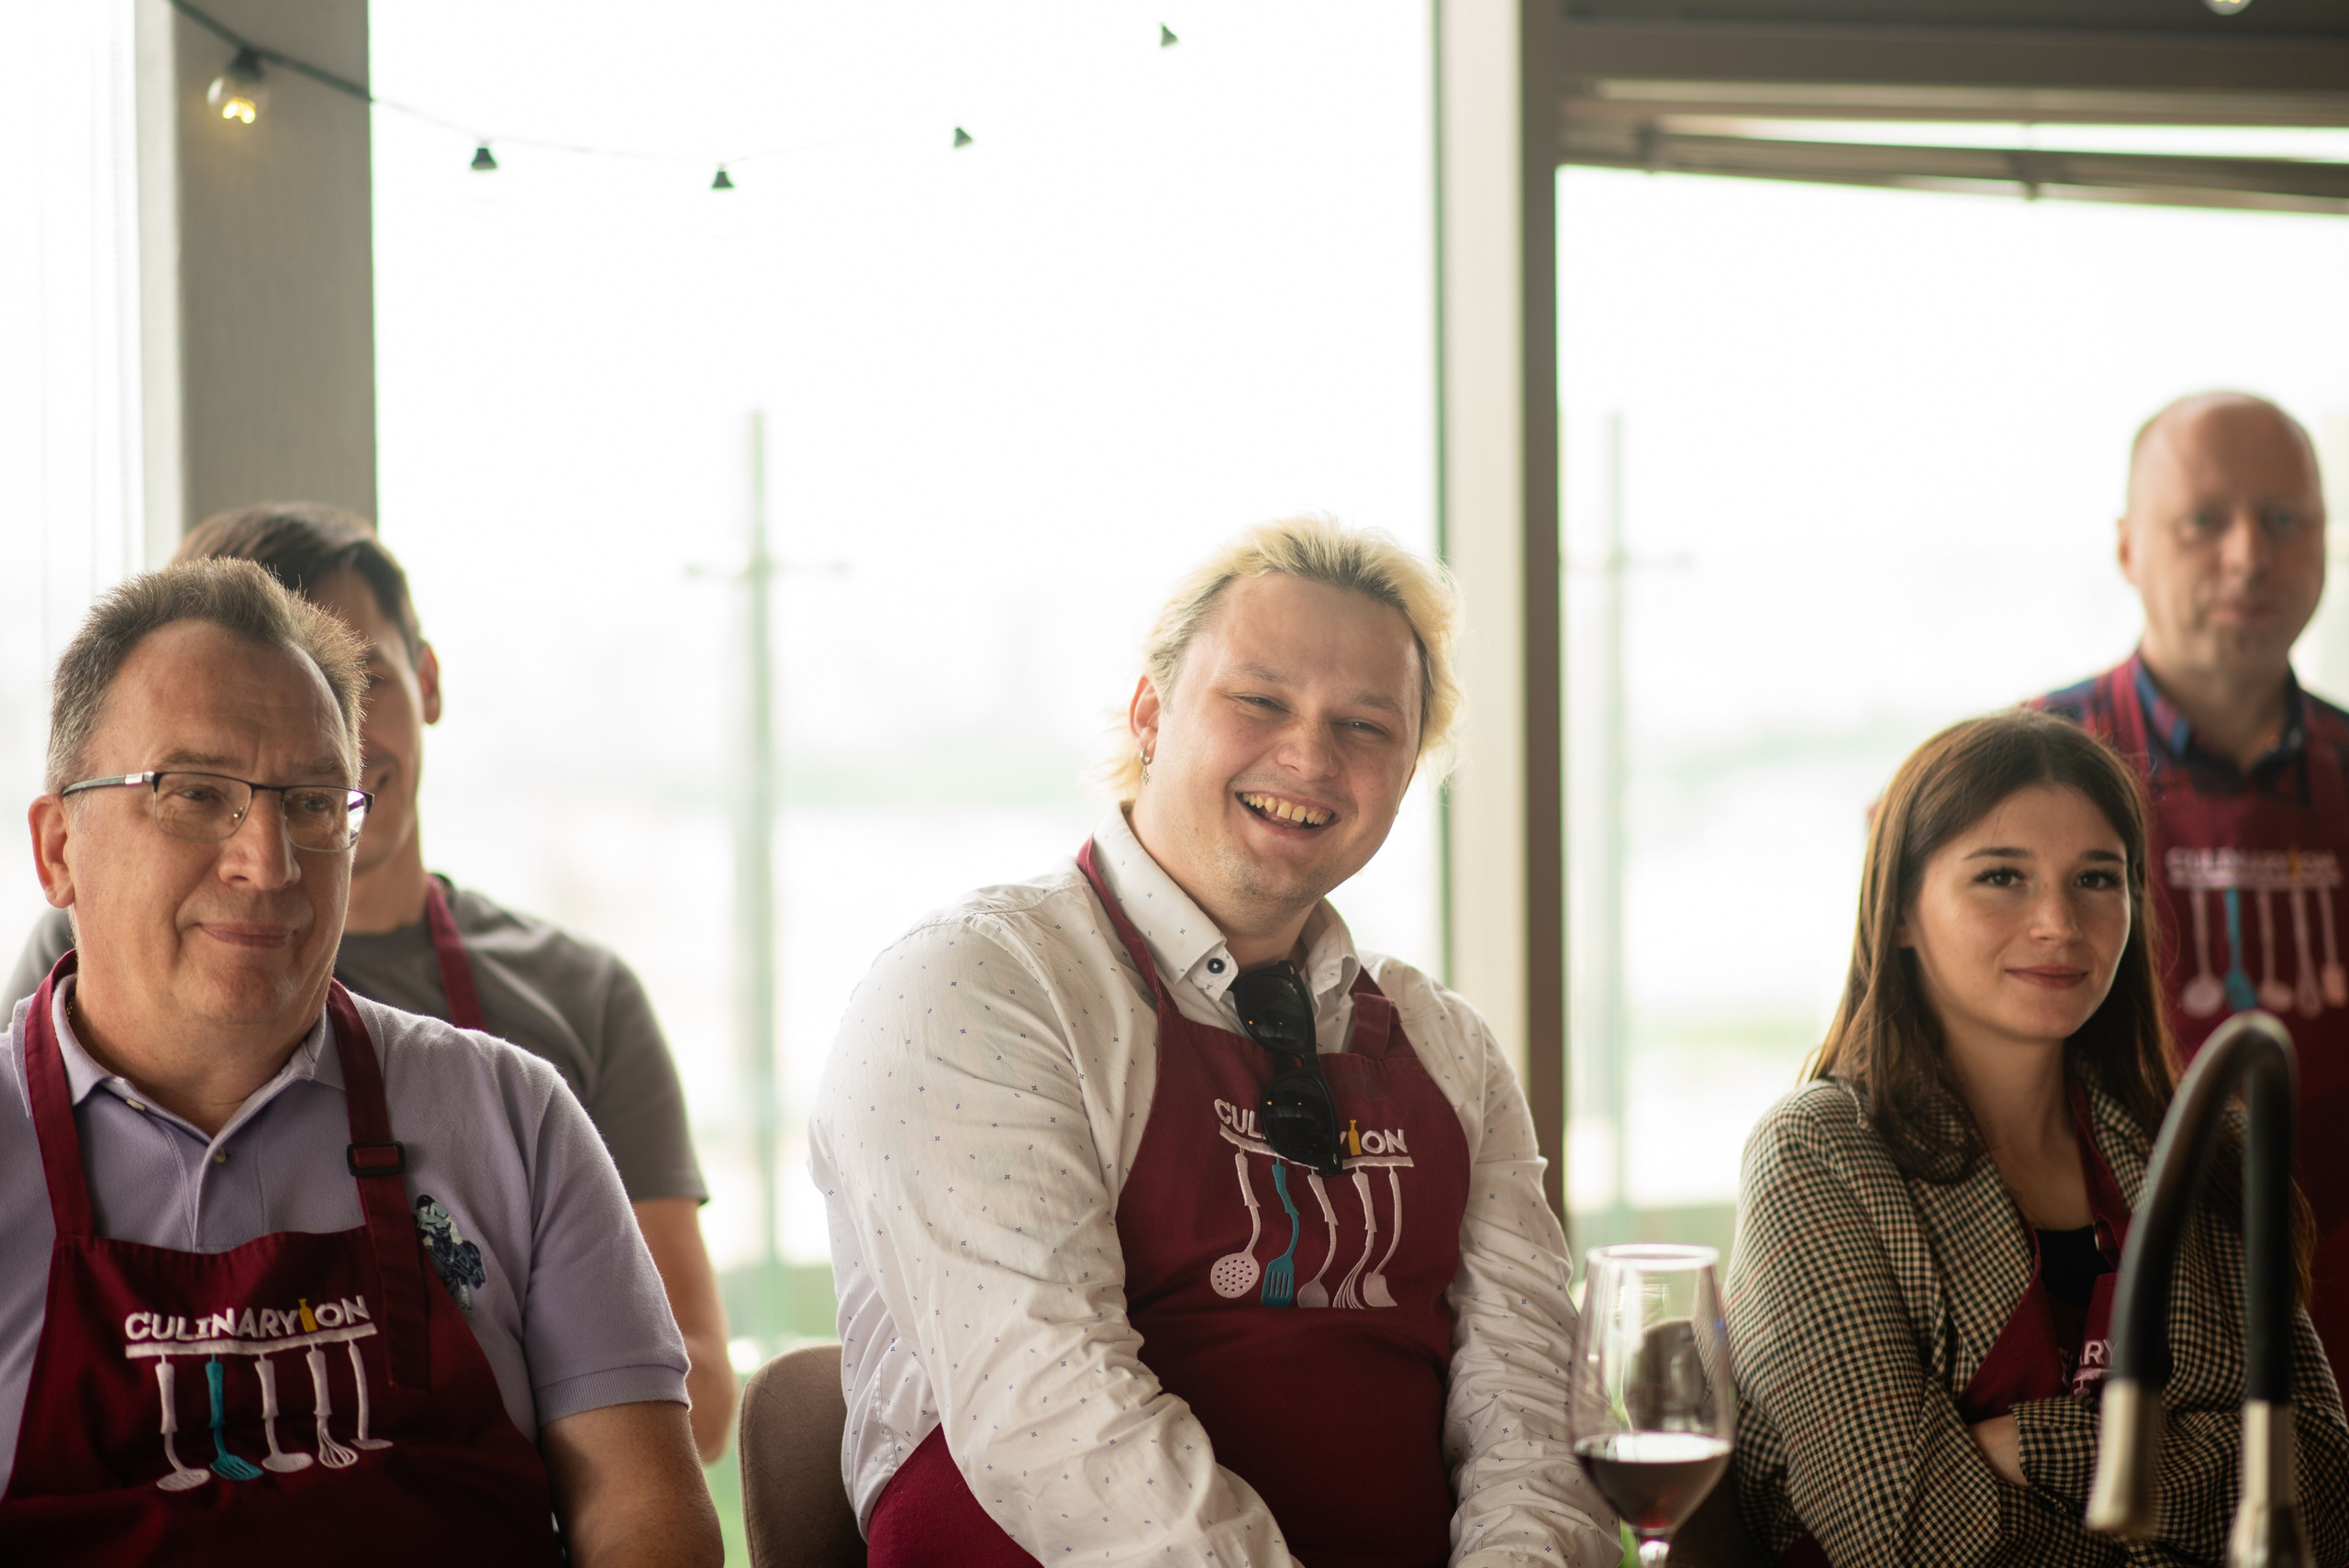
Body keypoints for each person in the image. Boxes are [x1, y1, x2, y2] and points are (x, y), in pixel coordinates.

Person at [807, 518, 1618, 1567]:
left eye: (1367, 724)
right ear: (1151, 712)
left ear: (1409, 769)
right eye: (1260, 700)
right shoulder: (977, 985)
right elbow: (1055, 1419)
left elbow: (1532, 1429)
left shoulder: (1445, 1046)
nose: (1311, 755)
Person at [0, 561, 719, 1564]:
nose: (269, 859)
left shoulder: (513, 1116)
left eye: (308, 802)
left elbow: (644, 1518)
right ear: (57, 846)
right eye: (197, 793)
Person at [1728, 709, 2348, 1566]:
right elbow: (1904, 1532)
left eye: (2098, 879)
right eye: (2001, 878)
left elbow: (2319, 1482)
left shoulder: (2208, 1150)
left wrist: (2016, 1444)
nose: (2059, 921)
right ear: (1901, 910)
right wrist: (2164, 1464)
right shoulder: (1814, 1156)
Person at [2031, 391, 2349, 1374]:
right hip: (2108, 1325)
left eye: (2283, 518)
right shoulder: (2022, 772)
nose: (2248, 554)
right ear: (2129, 547)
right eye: (2203, 520)